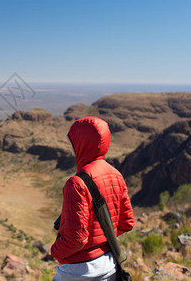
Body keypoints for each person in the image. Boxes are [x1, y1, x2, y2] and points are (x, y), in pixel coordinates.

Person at [50, 116, 135, 280]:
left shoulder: (75, 183)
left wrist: (55, 250)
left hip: (78, 272)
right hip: (109, 266)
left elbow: (77, 239)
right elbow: (127, 223)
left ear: (80, 143)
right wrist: (102, 239)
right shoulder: (116, 175)